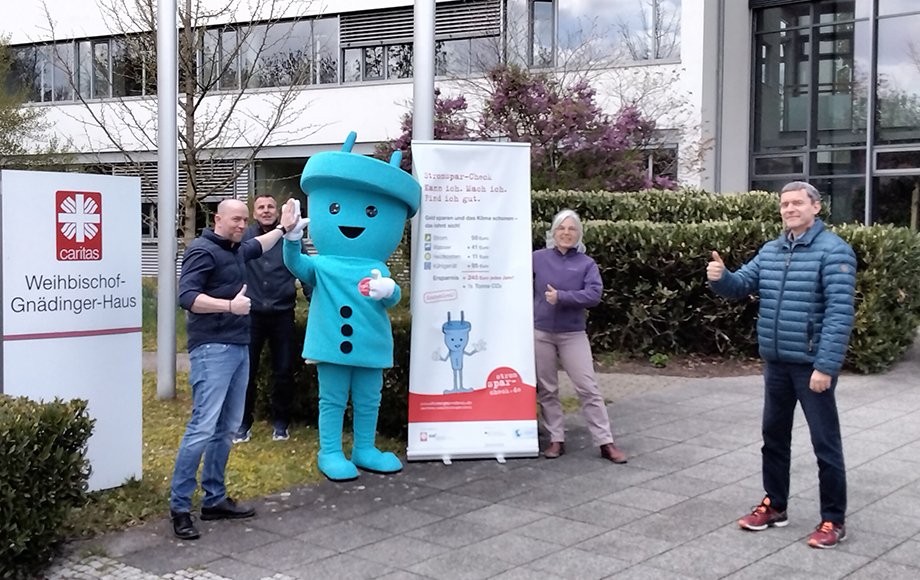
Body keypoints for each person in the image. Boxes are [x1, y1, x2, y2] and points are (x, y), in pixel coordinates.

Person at [707, 181, 857, 549]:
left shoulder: (834, 252)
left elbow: (840, 315)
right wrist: (721, 278)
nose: (790, 209)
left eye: (797, 203)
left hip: (811, 367)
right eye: (784, 204)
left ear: (816, 208)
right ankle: (775, 505)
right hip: (776, 362)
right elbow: (741, 284)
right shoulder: (772, 250)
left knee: (826, 445)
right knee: (773, 438)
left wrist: (825, 367)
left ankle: (833, 520)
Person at [169, 198, 287, 541]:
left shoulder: (236, 248)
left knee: (227, 427)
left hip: (238, 348)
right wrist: (230, 306)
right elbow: (187, 297)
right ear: (217, 218)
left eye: (244, 220)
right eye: (236, 219)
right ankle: (179, 507)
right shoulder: (202, 251)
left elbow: (258, 244)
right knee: (202, 427)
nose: (242, 224)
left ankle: (214, 499)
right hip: (212, 349)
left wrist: (284, 228)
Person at [533, 209, 627, 464]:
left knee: (588, 388)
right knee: (547, 389)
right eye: (561, 228)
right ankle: (556, 439)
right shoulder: (537, 258)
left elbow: (594, 296)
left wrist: (562, 296)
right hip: (540, 331)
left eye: (571, 229)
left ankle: (605, 442)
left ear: (578, 234)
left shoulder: (586, 264)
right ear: (553, 232)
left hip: (572, 334)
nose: (566, 233)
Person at [233, 194, 309, 444]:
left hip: (282, 314)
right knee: (247, 372)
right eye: (261, 207)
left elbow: (306, 270)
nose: (266, 211)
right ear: (255, 213)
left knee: (284, 372)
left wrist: (315, 302)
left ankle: (281, 423)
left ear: (277, 211)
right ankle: (243, 424)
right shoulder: (244, 238)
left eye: (270, 207)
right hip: (251, 316)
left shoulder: (292, 237)